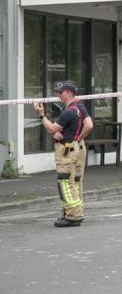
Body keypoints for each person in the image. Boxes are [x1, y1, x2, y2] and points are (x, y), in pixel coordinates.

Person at [32, 81, 85, 227]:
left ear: (69, 93)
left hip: (66, 151)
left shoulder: (69, 111)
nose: (58, 95)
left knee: (65, 183)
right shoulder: (76, 109)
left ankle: (73, 216)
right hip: (70, 146)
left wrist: (41, 115)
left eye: (60, 92)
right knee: (70, 183)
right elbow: (63, 129)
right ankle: (71, 213)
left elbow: (51, 129)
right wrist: (60, 133)